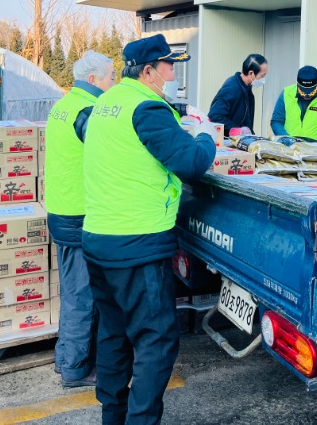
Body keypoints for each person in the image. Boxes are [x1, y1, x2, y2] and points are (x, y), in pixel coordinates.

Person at [82, 34, 216, 424]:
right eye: (169, 65)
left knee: (113, 333)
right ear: (148, 70)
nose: (173, 73)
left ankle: (114, 413)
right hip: (137, 244)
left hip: (100, 239)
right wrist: (206, 132)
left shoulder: (106, 102)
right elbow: (191, 161)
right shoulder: (147, 108)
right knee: (155, 340)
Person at [45, 50, 116, 388]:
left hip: (62, 211)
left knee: (72, 292)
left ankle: (65, 359)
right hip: (79, 217)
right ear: (93, 80)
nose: (113, 82)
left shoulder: (63, 105)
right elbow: (110, 155)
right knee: (83, 296)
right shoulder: (87, 112)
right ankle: (75, 369)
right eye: (110, 76)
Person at [208, 54, 268, 133]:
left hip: (239, 139)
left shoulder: (247, 89)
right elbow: (215, 116)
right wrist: (237, 130)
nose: (263, 80)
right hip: (226, 140)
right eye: (262, 76)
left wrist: (252, 136)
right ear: (251, 73)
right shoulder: (232, 88)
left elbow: (247, 121)